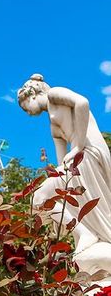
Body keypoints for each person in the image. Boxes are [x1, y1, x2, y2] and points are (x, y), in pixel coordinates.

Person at [18, 74, 111, 261]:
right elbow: (62, 163)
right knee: (39, 200)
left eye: (25, 106)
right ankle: (83, 232)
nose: (27, 112)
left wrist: (78, 145)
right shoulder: (52, 126)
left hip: (89, 152)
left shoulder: (54, 94)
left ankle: (85, 233)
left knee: (40, 197)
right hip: (76, 162)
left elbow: (82, 103)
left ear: (32, 96)